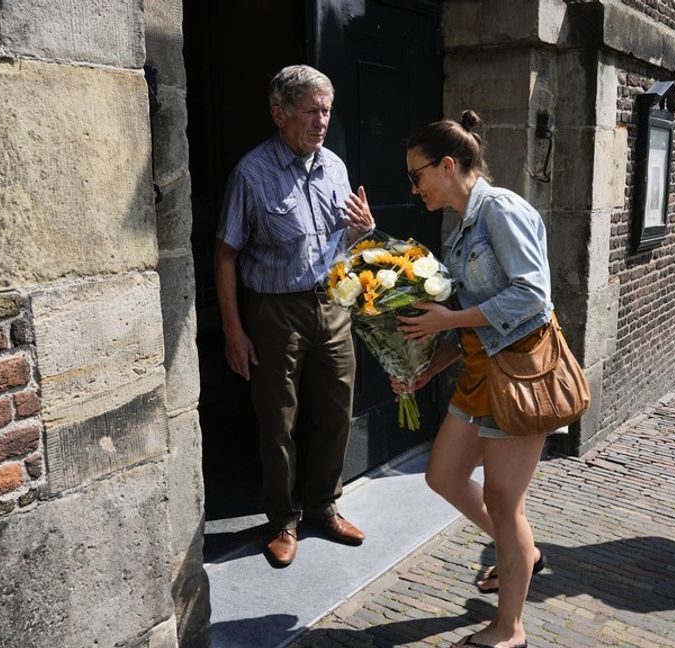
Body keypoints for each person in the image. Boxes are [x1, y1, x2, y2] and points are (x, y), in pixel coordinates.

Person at [390, 110, 551, 648]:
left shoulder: (501, 210)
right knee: (444, 475)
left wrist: (448, 320)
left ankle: (510, 628)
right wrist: (422, 372)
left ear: (448, 165)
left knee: (505, 503)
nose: (413, 188)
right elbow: (466, 328)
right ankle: (522, 553)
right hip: (482, 370)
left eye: (417, 176)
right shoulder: (461, 230)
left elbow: (533, 296)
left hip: (522, 373)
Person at [215, 64, 374, 568]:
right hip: (274, 311)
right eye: (311, 111)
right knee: (278, 418)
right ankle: (282, 519)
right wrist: (234, 330)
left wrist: (363, 230)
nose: (322, 121)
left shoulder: (335, 167)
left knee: (336, 409)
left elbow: (342, 244)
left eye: (327, 110)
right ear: (280, 114)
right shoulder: (251, 173)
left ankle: (325, 506)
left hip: (331, 305)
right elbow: (225, 254)